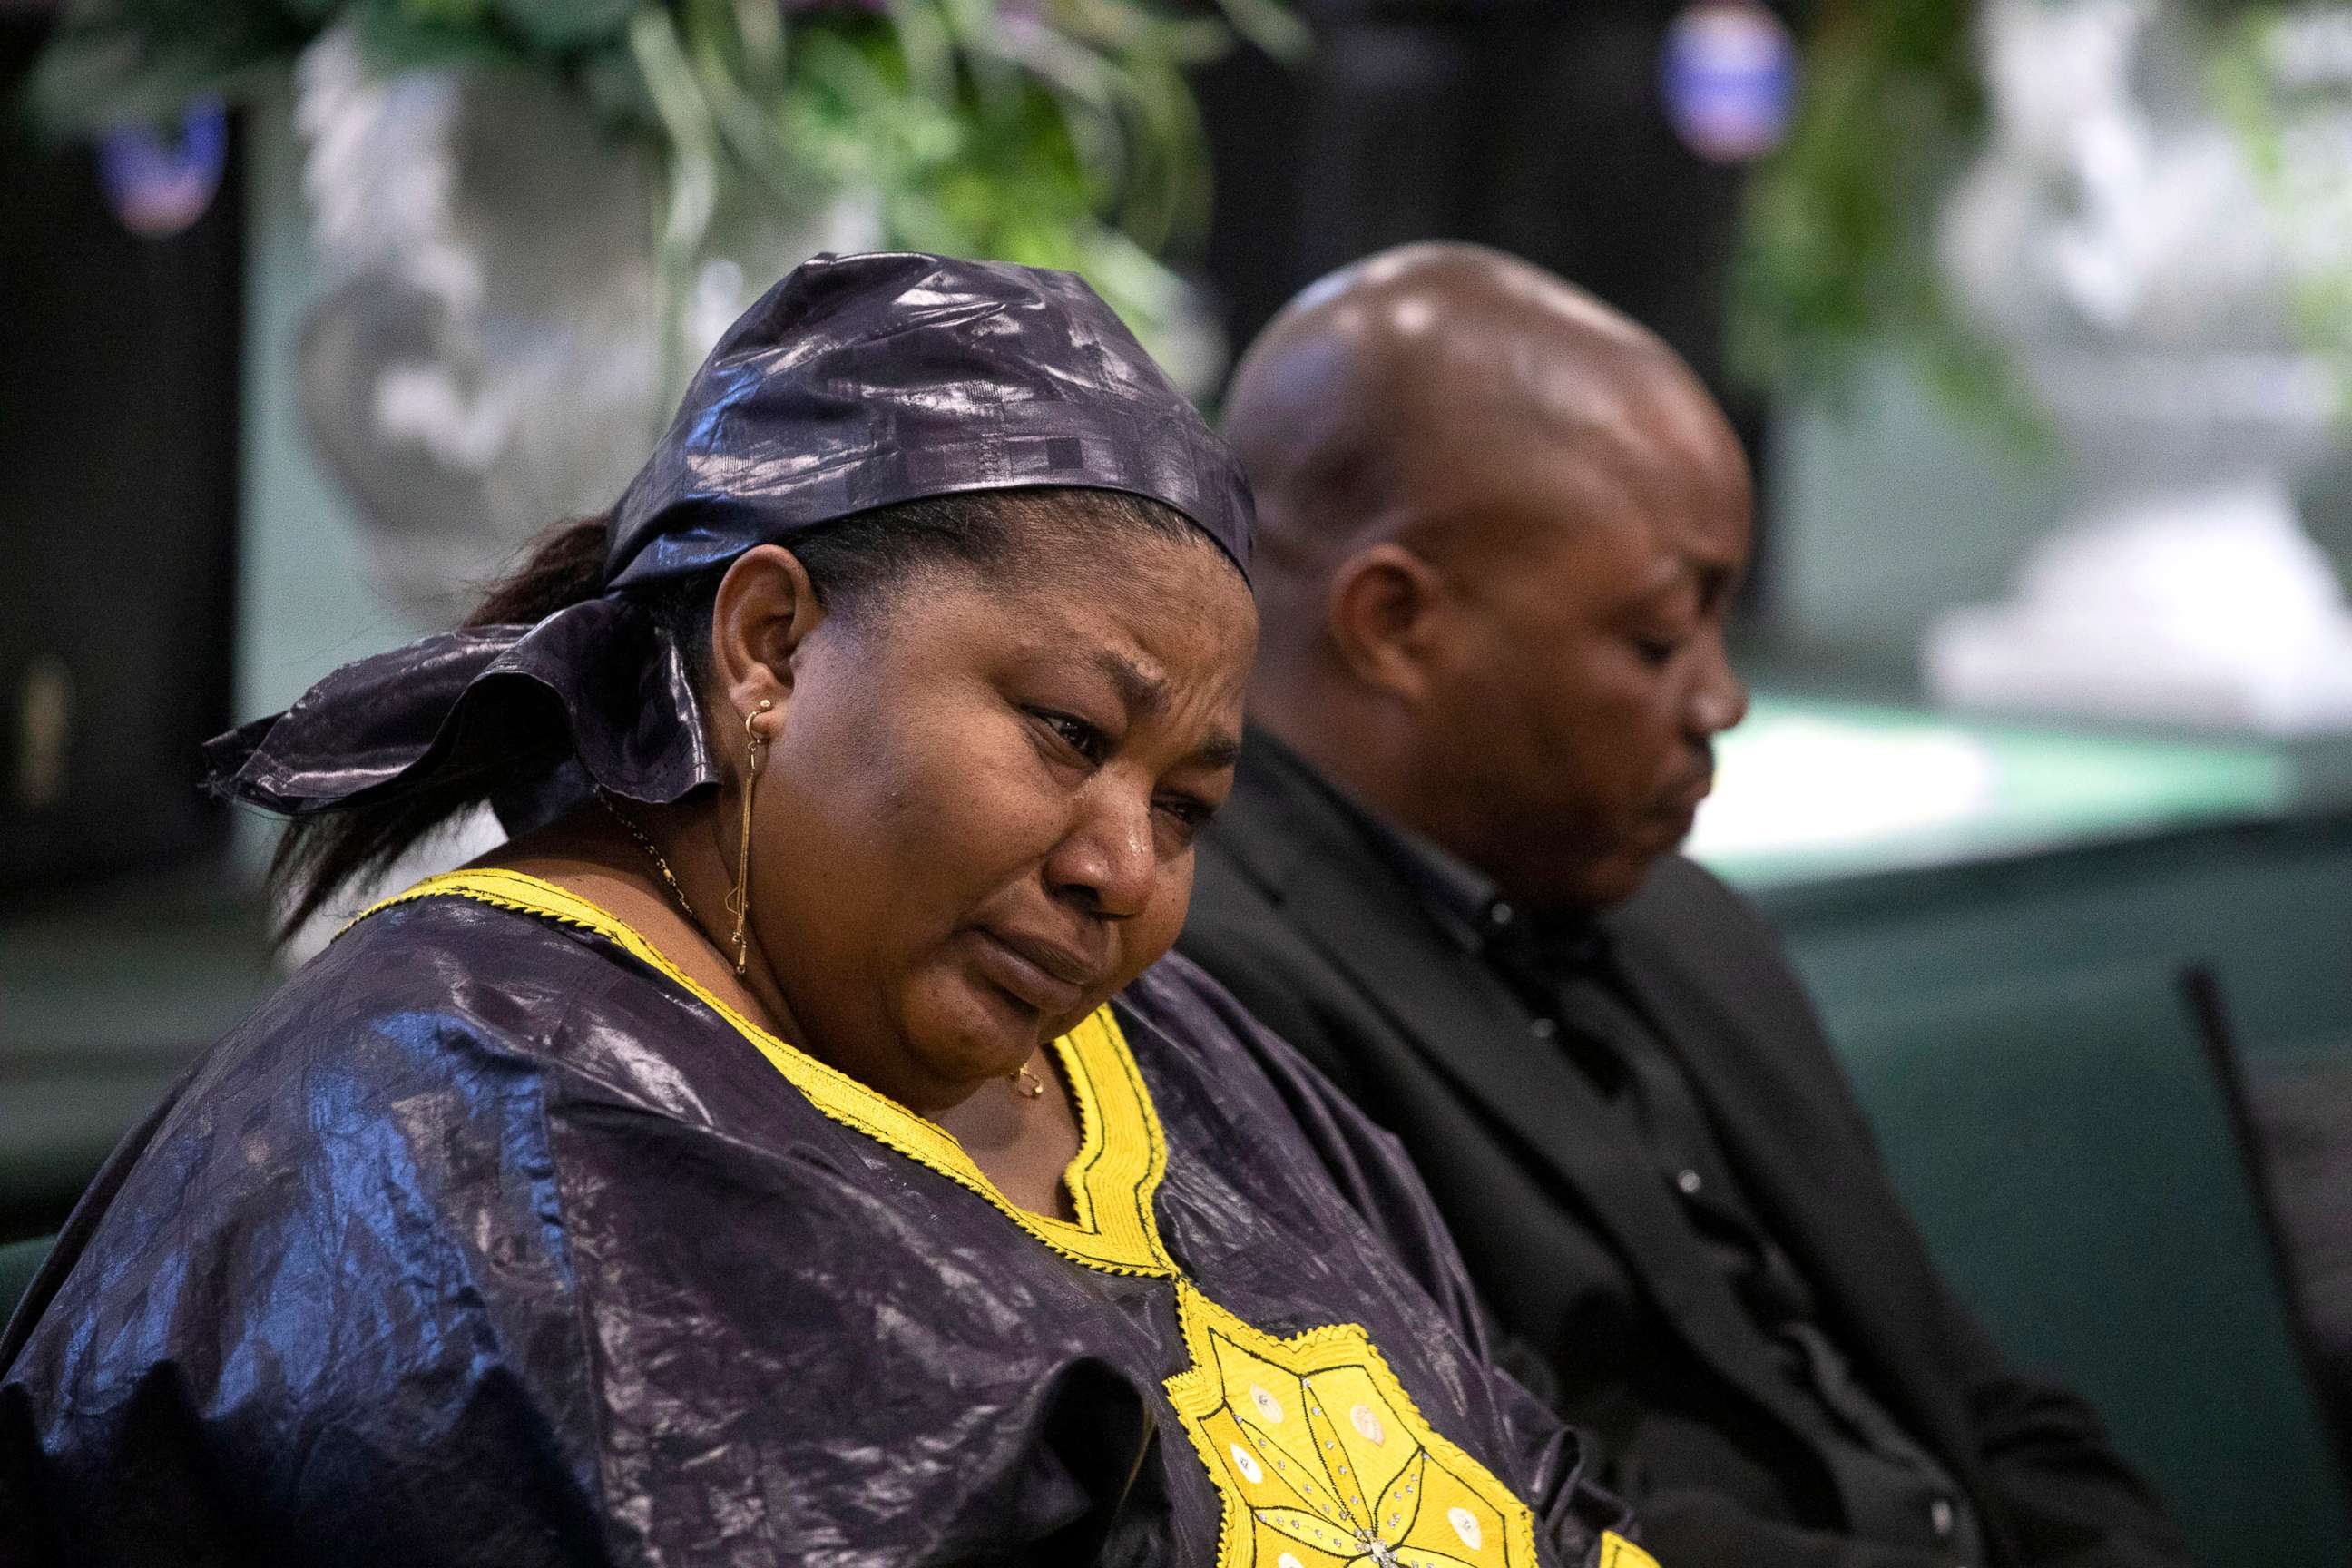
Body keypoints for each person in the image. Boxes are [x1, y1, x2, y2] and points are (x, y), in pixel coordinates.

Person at [0, 252, 1648, 1567]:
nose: (1123, 871)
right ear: (768, 647)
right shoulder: (472, 1129)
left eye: (1189, 805)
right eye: (1069, 734)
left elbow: (1527, 1471)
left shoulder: (1179, 1053)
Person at [1175, 242, 2190, 1568]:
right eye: (1659, 639)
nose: (1723, 701)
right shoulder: (1207, 988)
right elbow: (1497, 1513)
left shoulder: (1689, 918)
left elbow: (1980, 1404)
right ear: (1396, 626)